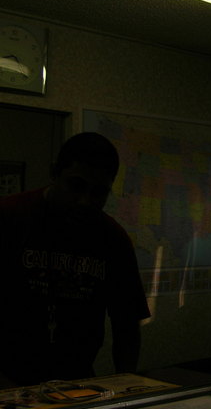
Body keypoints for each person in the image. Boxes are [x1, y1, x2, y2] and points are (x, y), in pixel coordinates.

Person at [0, 132, 150, 388]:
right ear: (54, 173)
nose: (85, 201)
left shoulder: (112, 238)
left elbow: (126, 324)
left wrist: (127, 385)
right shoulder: (9, 218)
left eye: (99, 193)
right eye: (76, 186)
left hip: (76, 383)